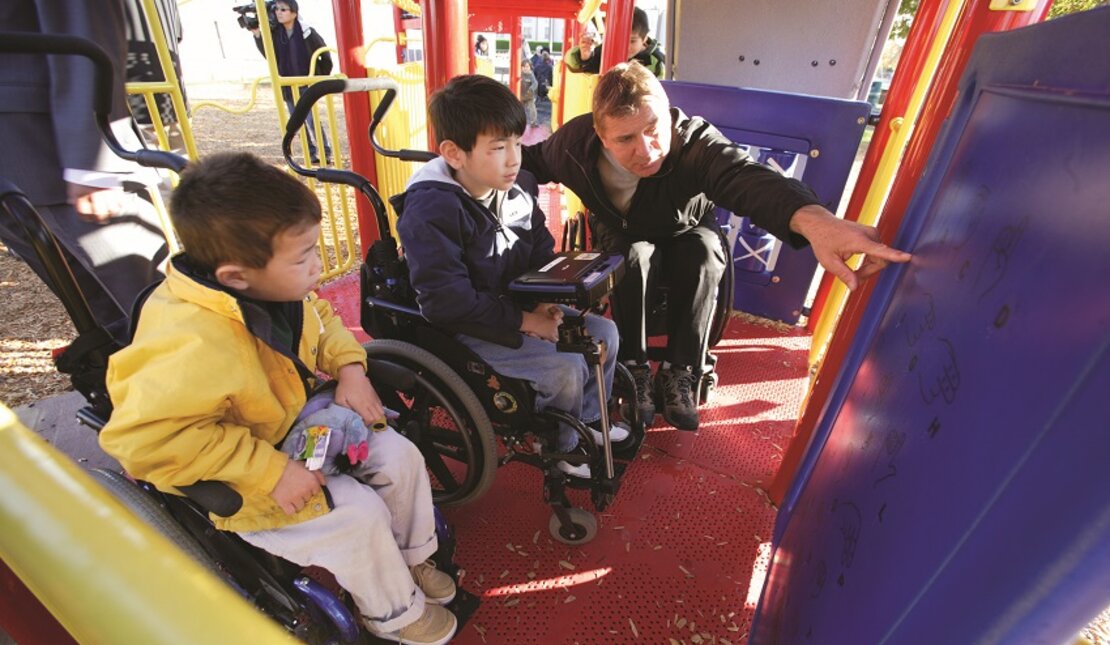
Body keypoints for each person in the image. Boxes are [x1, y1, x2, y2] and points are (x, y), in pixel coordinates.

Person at [98, 152, 458, 645]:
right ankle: (392, 614)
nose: (318, 264)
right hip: (244, 467)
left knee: (401, 455)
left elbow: (324, 321)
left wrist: (350, 368)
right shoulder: (189, 342)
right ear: (234, 277)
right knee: (358, 514)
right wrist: (271, 471)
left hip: (294, 419)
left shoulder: (276, 288)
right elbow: (146, 441)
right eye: (304, 256)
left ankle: (413, 560)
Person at [521, 62, 912, 431]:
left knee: (706, 254)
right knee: (632, 257)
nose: (648, 149)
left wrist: (815, 222)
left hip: (685, 227)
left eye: (654, 127)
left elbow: (743, 176)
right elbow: (528, 163)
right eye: (626, 139)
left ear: (668, 112)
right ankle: (634, 366)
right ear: (601, 136)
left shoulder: (694, 143)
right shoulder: (574, 146)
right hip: (621, 229)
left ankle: (681, 370)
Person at [391, 75, 630, 479]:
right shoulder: (431, 209)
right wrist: (527, 322)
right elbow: (446, 301)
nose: (514, 158)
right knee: (564, 368)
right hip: (464, 325)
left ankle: (590, 421)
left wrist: (545, 302)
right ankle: (561, 446)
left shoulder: (518, 187)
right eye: (498, 148)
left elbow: (539, 249)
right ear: (454, 153)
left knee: (604, 334)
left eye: (517, 143)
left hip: (515, 306)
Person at [0, 0, 170, 344]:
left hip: (46, 143)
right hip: (17, 148)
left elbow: (81, 19)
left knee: (149, 304)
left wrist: (94, 161)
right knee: (92, 310)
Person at [251, 0, 333, 164]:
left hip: (305, 83)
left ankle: (325, 152)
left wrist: (318, 77)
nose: (279, 13)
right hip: (288, 85)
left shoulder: (307, 32)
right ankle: (310, 153)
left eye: (283, 9)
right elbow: (270, 55)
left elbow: (325, 55)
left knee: (311, 119)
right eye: (276, 9)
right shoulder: (275, 34)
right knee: (297, 121)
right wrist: (257, 34)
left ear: (294, 13)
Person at [565, 7, 666, 79]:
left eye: (632, 41)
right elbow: (573, 66)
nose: (625, 47)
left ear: (644, 39)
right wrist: (584, 57)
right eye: (621, 39)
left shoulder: (656, 61)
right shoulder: (607, 50)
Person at [520, 59, 539, 127]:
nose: (526, 68)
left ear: (530, 67)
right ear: (521, 67)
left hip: (529, 95)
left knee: (532, 108)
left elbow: (535, 83)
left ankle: (533, 122)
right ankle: (519, 121)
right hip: (521, 95)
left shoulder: (531, 74)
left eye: (527, 66)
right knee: (519, 109)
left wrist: (531, 89)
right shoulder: (520, 74)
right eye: (524, 67)